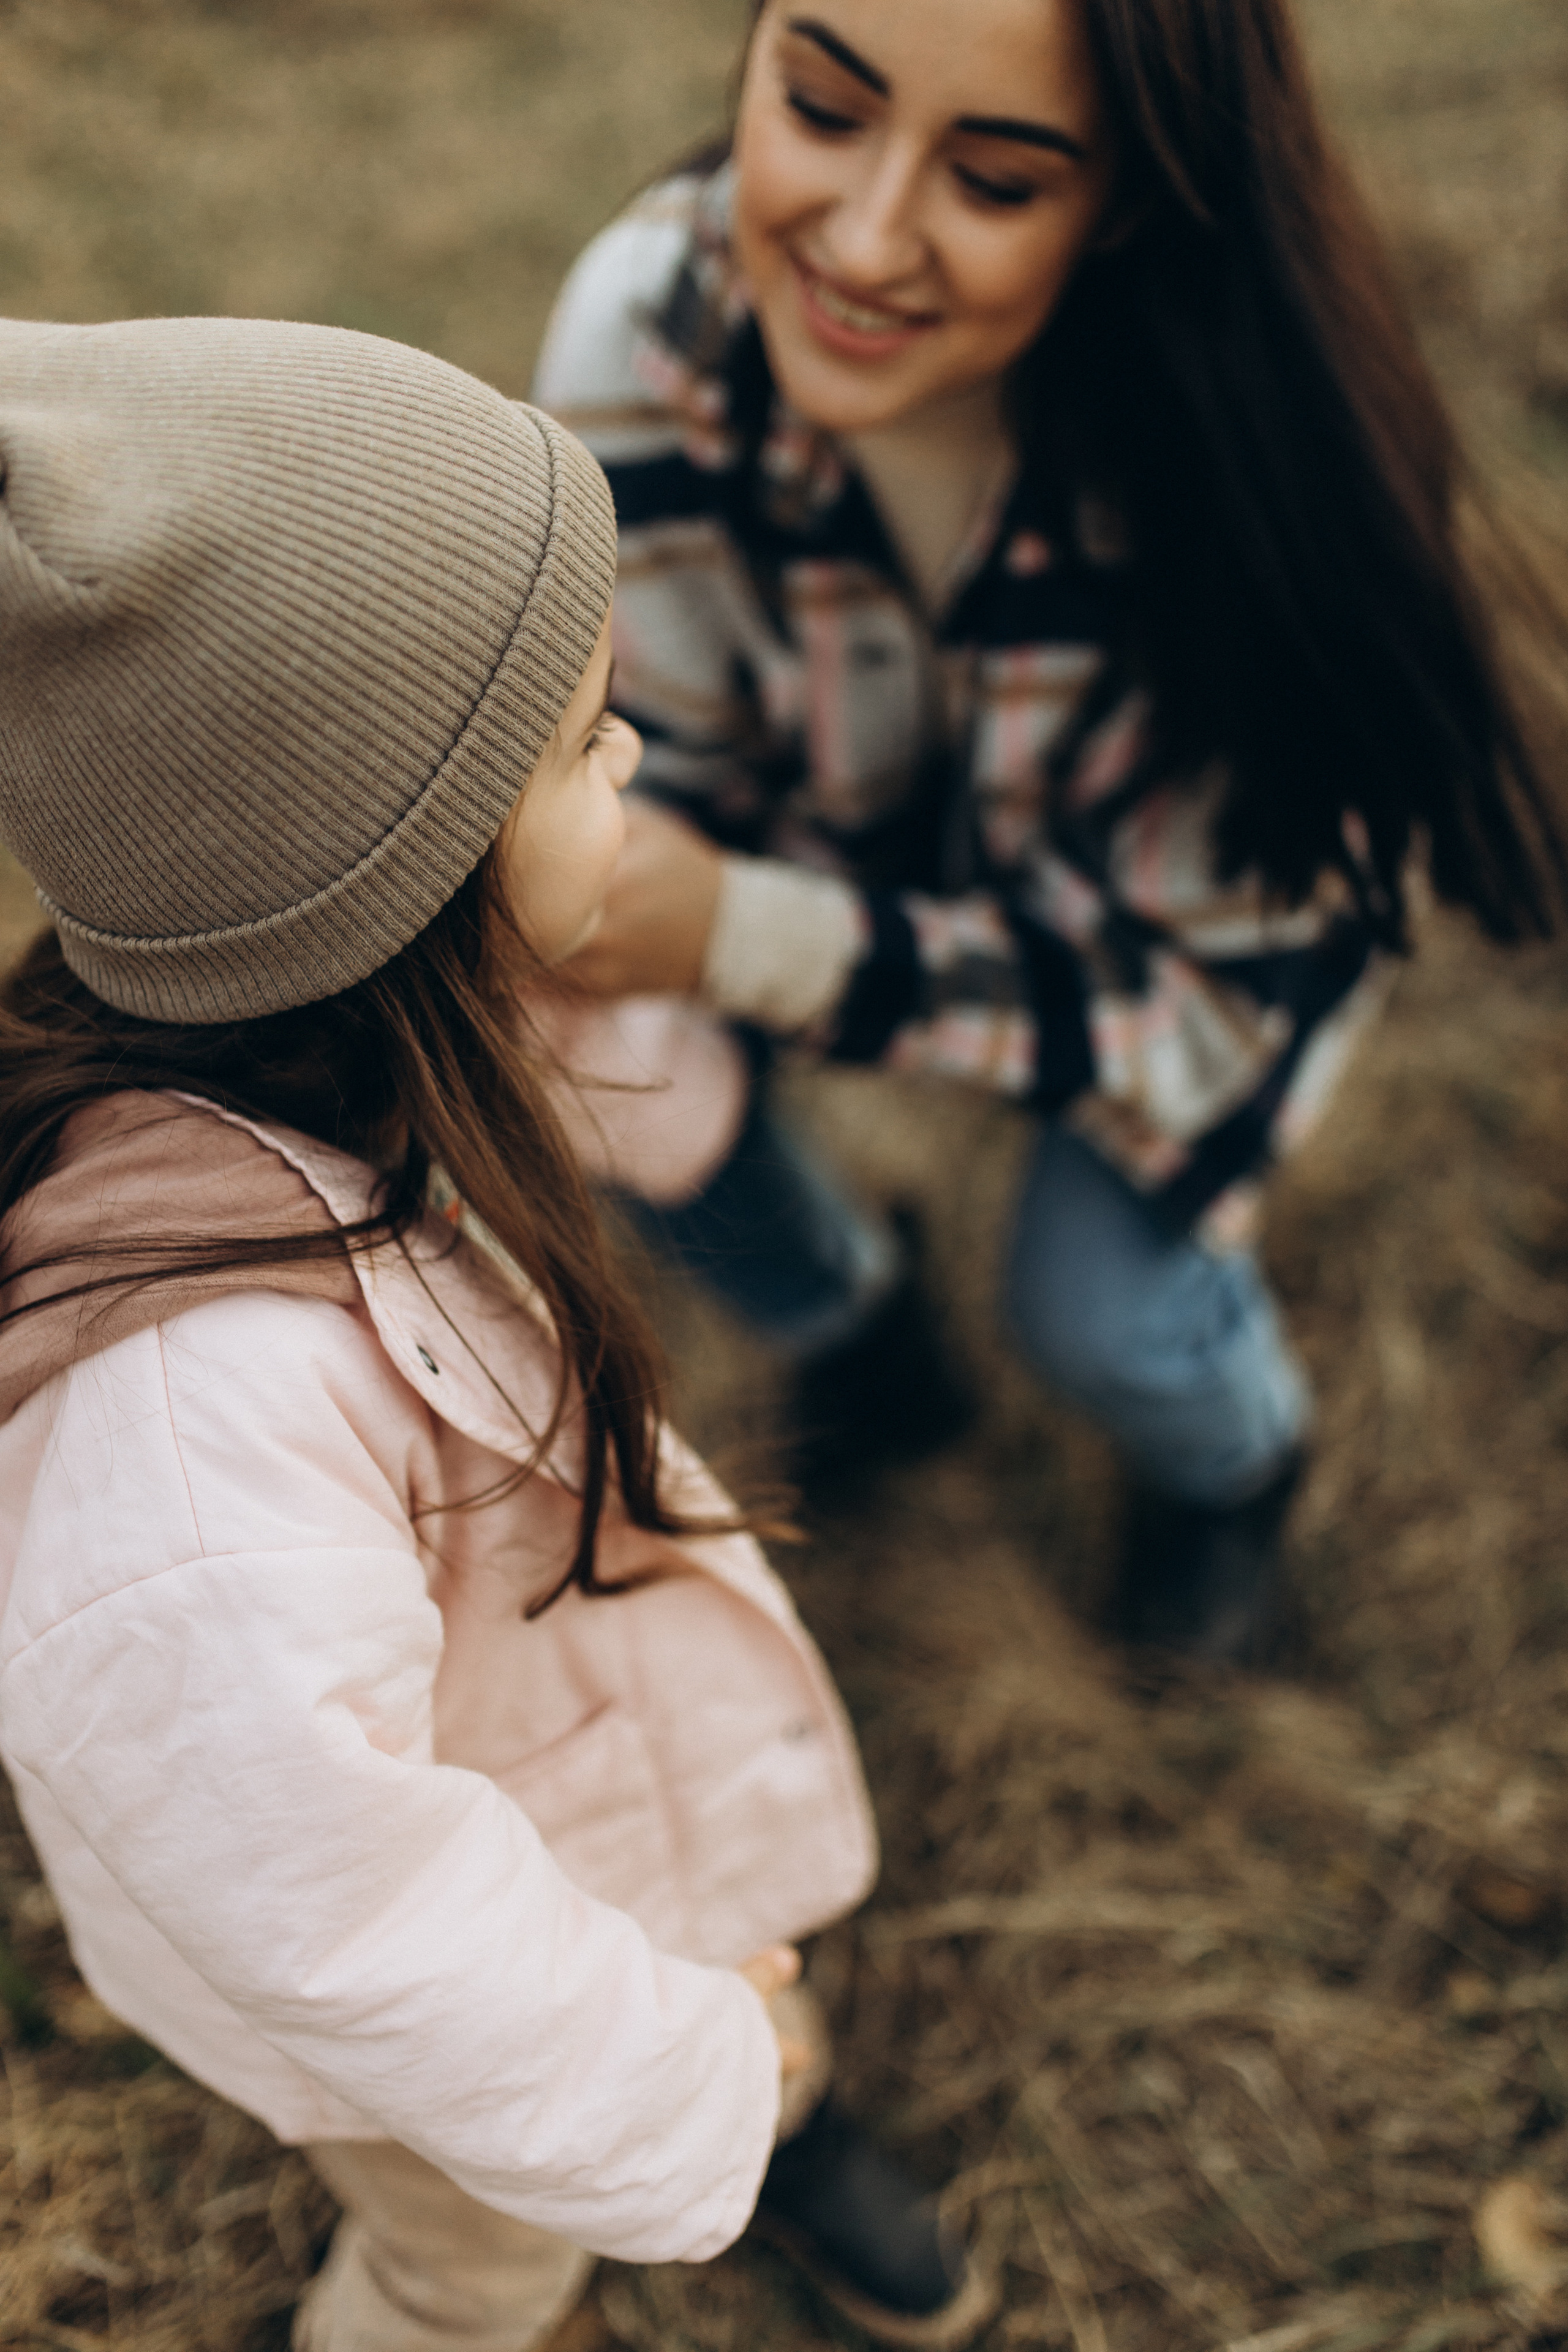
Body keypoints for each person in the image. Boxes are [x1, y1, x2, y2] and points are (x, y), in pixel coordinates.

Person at [0, 317, 998, 2352]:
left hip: (569, 1758)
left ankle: (753, 2075)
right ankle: (693, 2129)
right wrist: (691, 2071)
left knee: (711, 1991)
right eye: (580, 745)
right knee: (484, 2260)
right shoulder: (190, 1440)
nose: (634, 760)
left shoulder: (357, 1037)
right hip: (453, 1990)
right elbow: (356, 1916)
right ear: (386, 889)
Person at [533, 0, 1567, 1661]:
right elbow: (675, 756)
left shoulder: (1249, 490)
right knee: (580, 1036)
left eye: (998, 181)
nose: (863, 241)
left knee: (1101, 1314)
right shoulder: (647, 331)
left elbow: (1167, 999)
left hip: (1170, 969)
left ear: (1136, 198)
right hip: (845, 824)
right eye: (818, 104)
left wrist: (741, 930)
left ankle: (1225, 1469)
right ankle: (862, 1332)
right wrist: (612, 902)